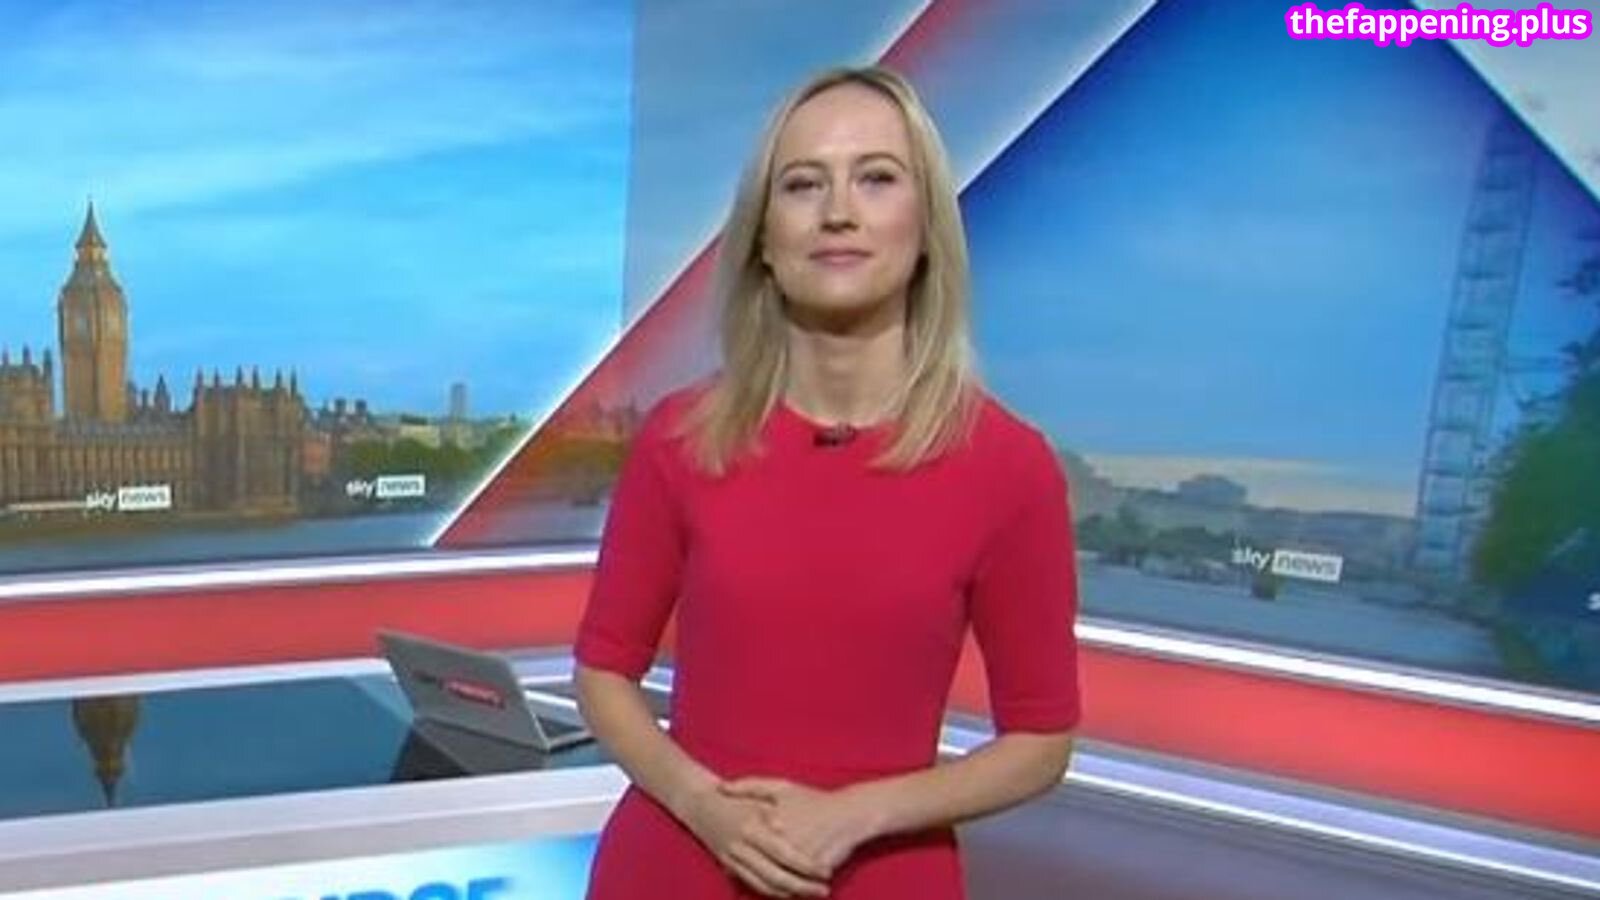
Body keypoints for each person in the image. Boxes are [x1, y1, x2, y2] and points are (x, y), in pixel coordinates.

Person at [574, 65, 1080, 900]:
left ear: (927, 226)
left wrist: (857, 814)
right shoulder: (679, 438)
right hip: (674, 867)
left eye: (876, 179)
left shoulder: (1010, 468)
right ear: (763, 241)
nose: (838, 211)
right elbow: (603, 672)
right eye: (803, 185)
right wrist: (705, 806)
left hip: (882, 877)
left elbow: (1040, 740)